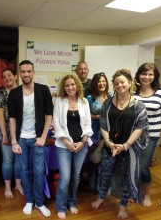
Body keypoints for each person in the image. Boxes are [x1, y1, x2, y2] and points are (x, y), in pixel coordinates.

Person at [92, 69, 149, 219]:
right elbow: (103, 124)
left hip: (128, 149)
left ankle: (123, 206)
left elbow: (140, 128)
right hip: (109, 147)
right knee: (105, 174)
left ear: (130, 83)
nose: (119, 85)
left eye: (122, 82)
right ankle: (101, 197)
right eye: (116, 83)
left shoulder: (138, 105)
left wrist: (125, 145)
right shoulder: (108, 103)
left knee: (125, 178)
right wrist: (110, 143)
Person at [7, 60, 53, 217]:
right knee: (24, 171)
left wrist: (43, 137)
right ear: (19, 74)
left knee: (39, 172)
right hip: (21, 139)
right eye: (23, 72)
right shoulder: (14, 93)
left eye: (29, 71)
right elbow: (12, 118)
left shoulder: (43, 90)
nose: (26, 74)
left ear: (33, 72)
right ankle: (29, 200)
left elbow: (49, 116)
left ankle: (39, 203)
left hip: (37, 139)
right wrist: (13, 141)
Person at [53, 74, 93, 219]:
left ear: (77, 86)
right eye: (67, 85)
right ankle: (61, 207)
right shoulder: (59, 101)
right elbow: (56, 123)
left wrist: (82, 142)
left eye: (72, 84)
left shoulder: (84, 102)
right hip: (64, 145)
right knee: (65, 177)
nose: (70, 87)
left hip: (81, 145)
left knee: (76, 177)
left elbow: (88, 124)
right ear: (64, 87)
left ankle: (71, 202)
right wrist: (67, 142)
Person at [134, 63, 161, 207]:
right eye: (144, 74)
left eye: (150, 74)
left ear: (155, 76)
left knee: (143, 166)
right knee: (134, 165)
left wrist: (154, 125)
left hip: (151, 136)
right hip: (132, 136)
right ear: (139, 75)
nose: (147, 77)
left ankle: (147, 194)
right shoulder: (133, 92)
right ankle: (135, 192)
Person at [0, 68, 23, 198]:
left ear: (16, 76)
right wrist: (5, 136)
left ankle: (18, 184)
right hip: (5, 132)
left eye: (9, 75)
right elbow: (0, 116)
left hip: (22, 133)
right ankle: (7, 187)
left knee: (19, 161)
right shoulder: (1, 93)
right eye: (4, 76)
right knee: (7, 161)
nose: (7, 78)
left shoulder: (23, 90)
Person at [87, 72, 110, 140]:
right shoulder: (89, 98)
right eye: (99, 82)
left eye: (103, 81)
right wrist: (101, 116)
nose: (101, 84)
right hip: (94, 129)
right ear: (94, 84)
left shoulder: (112, 97)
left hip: (109, 130)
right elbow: (86, 116)